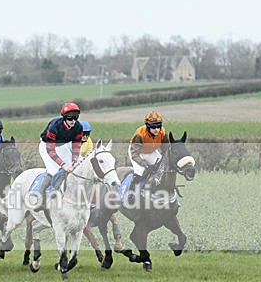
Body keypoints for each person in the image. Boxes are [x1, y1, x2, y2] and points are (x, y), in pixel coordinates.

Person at [78, 120, 124, 253]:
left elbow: (92, 159)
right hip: (73, 168)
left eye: (87, 134)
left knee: (100, 187)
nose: (85, 136)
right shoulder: (72, 141)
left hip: (86, 170)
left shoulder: (89, 142)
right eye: (83, 134)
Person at [37, 102, 84, 205]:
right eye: (70, 118)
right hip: (47, 146)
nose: (73, 121)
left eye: (75, 117)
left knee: (76, 167)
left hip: (62, 145)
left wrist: (74, 160)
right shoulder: (54, 126)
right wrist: (63, 165)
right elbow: (51, 150)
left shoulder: (78, 127)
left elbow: (76, 145)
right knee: (54, 170)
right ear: (64, 118)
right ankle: (41, 199)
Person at [128, 109, 168, 188]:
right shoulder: (139, 134)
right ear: (148, 126)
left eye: (158, 126)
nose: (156, 129)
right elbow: (134, 154)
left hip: (151, 152)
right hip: (137, 152)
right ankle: (131, 191)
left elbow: (166, 149)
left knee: (162, 168)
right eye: (153, 127)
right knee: (140, 171)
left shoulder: (163, 132)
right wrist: (144, 164)